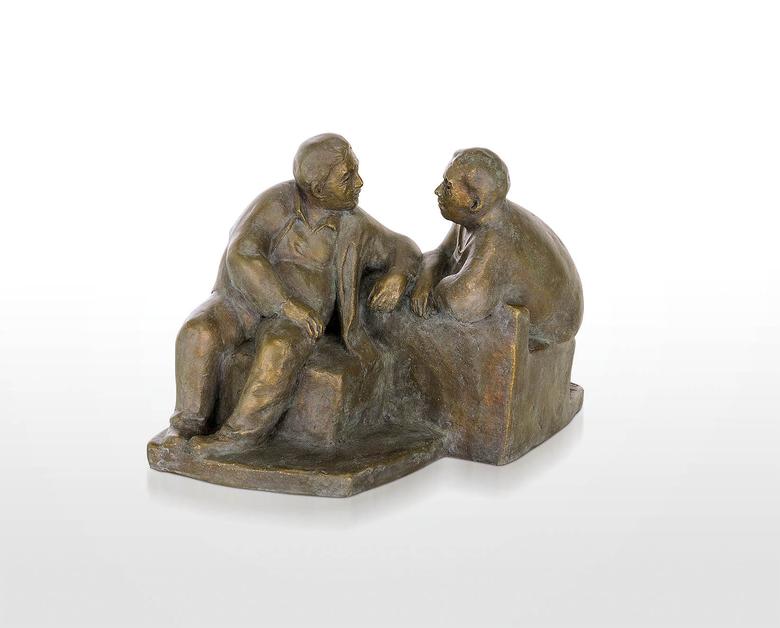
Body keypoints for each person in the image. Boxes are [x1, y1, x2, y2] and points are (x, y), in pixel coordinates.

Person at [168, 133, 420, 456]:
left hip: (301, 320)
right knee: (197, 332)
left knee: (280, 348)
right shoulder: (275, 204)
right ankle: (186, 426)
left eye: (355, 171)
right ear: (318, 189)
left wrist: (398, 276)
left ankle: (237, 438)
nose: (359, 182)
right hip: (243, 302)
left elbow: (403, 248)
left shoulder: (354, 225)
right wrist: (285, 304)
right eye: (348, 177)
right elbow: (241, 254)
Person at [411, 148, 582, 346]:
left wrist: (436, 286)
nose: (438, 190)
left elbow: (460, 302)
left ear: (474, 203)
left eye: (448, 187)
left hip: (552, 329)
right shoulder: (472, 216)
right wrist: (426, 278)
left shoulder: (495, 242)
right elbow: (441, 253)